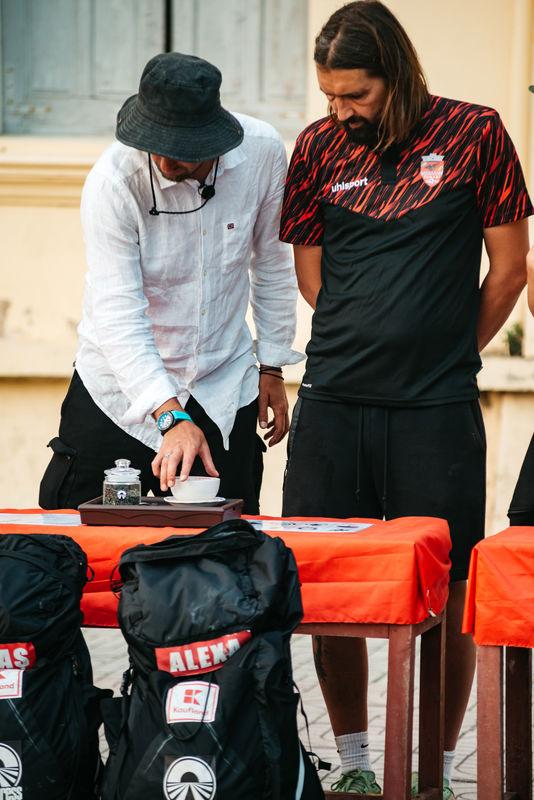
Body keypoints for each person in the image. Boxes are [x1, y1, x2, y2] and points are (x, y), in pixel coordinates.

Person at [280, 2, 532, 797]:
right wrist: (370, 333)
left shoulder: (477, 133)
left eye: (355, 94)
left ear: (396, 74)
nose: (340, 110)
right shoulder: (316, 147)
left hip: (435, 409)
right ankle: (356, 763)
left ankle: (435, 771)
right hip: (333, 402)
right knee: (329, 581)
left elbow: (510, 269)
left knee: (447, 589)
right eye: (329, 94)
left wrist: (449, 349)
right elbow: (311, 275)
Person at [39, 52, 302, 514]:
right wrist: (169, 415)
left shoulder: (262, 153)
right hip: (119, 395)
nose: (162, 159)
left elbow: (274, 262)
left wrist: (272, 365)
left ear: (213, 138)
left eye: (178, 148)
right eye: (152, 142)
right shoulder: (112, 182)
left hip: (223, 386)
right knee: (82, 539)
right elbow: (118, 312)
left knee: (227, 543)